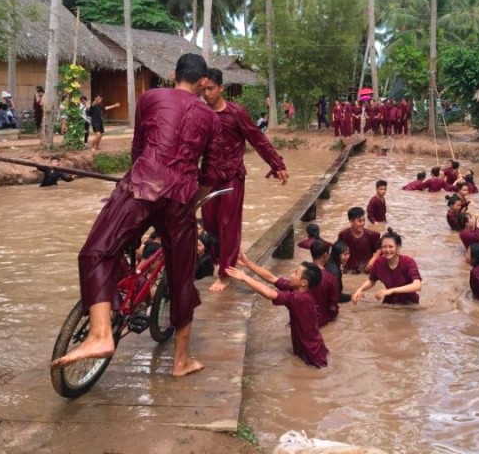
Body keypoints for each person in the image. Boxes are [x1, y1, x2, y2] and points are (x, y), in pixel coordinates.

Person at [50, 53, 228, 377]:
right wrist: (193, 200)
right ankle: (181, 362)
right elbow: (212, 174)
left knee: (96, 252)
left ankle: (101, 332)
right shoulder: (212, 119)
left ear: (173, 74)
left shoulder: (151, 98)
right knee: (182, 279)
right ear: (204, 82)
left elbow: (138, 149)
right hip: (181, 200)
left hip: (142, 186)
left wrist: (138, 176)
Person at [201, 67, 288, 292]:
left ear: (221, 88)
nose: (206, 94)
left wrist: (276, 164)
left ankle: (225, 273)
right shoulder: (201, 113)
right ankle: (222, 257)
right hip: (208, 177)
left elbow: (257, 139)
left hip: (232, 177)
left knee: (227, 224)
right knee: (210, 224)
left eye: (210, 89)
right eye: (203, 89)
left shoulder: (236, 113)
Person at [226, 262, 328, 368]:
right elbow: (272, 278)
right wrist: (247, 263)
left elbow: (270, 294)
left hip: (312, 355)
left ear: (303, 282)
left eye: (295, 273)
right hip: (313, 348)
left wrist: (245, 278)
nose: (291, 274)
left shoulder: (300, 298)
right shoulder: (296, 289)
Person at [351, 228, 422, 305]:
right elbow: (371, 280)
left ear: (397, 247)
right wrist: (360, 289)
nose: (387, 250)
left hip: (410, 304)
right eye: (384, 247)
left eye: (391, 246)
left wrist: (391, 290)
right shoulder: (379, 263)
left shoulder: (408, 262)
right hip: (389, 302)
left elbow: (417, 285)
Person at [337, 206, 381, 273]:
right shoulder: (343, 235)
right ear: (351, 221)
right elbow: (337, 252)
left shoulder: (372, 235)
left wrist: (373, 260)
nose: (362, 223)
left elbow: (381, 248)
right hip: (349, 272)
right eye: (360, 221)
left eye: (364, 221)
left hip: (366, 271)